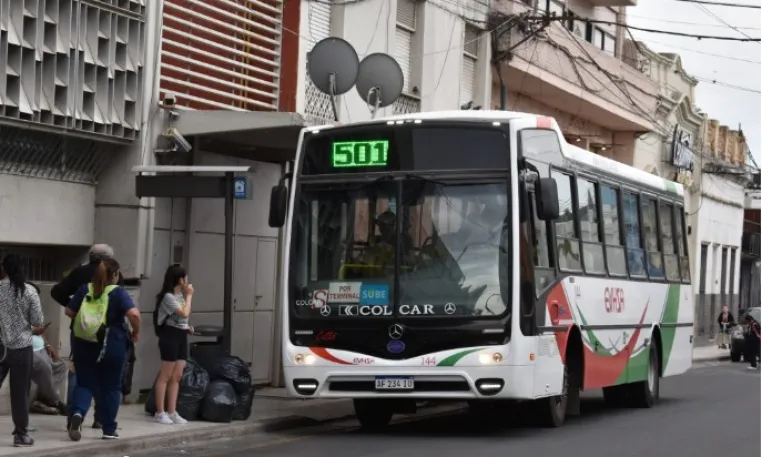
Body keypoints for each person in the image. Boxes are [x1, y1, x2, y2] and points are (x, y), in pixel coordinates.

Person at [65, 258, 140, 441]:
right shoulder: (118, 292)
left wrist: (87, 321)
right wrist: (135, 331)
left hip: (84, 343)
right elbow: (134, 314)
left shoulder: (85, 289)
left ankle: (77, 414)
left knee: (84, 383)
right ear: (114, 275)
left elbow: (69, 311)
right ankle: (108, 429)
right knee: (111, 386)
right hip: (112, 343)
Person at [51, 243, 123, 430]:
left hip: (81, 331)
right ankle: (101, 417)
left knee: (80, 373)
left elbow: (56, 291)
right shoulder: (113, 275)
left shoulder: (79, 273)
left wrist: (77, 310)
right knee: (105, 377)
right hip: (108, 334)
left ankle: (74, 415)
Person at [0, 254, 44, 447]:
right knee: (19, 393)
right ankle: (20, 434)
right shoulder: (30, 292)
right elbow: (37, 321)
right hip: (21, 348)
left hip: (0, 346)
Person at [153, 264, 193, 425]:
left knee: (177, 375)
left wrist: (187, 327)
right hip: (169, 336)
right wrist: (190, 296)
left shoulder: (180, 296)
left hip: (181, 334)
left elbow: (182, 318)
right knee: (166, 375)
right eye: (184, 276)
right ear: (179, 279)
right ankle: (160, 412)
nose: (187, 280)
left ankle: (172, 411)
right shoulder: (168, 297)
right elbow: (184, 312)